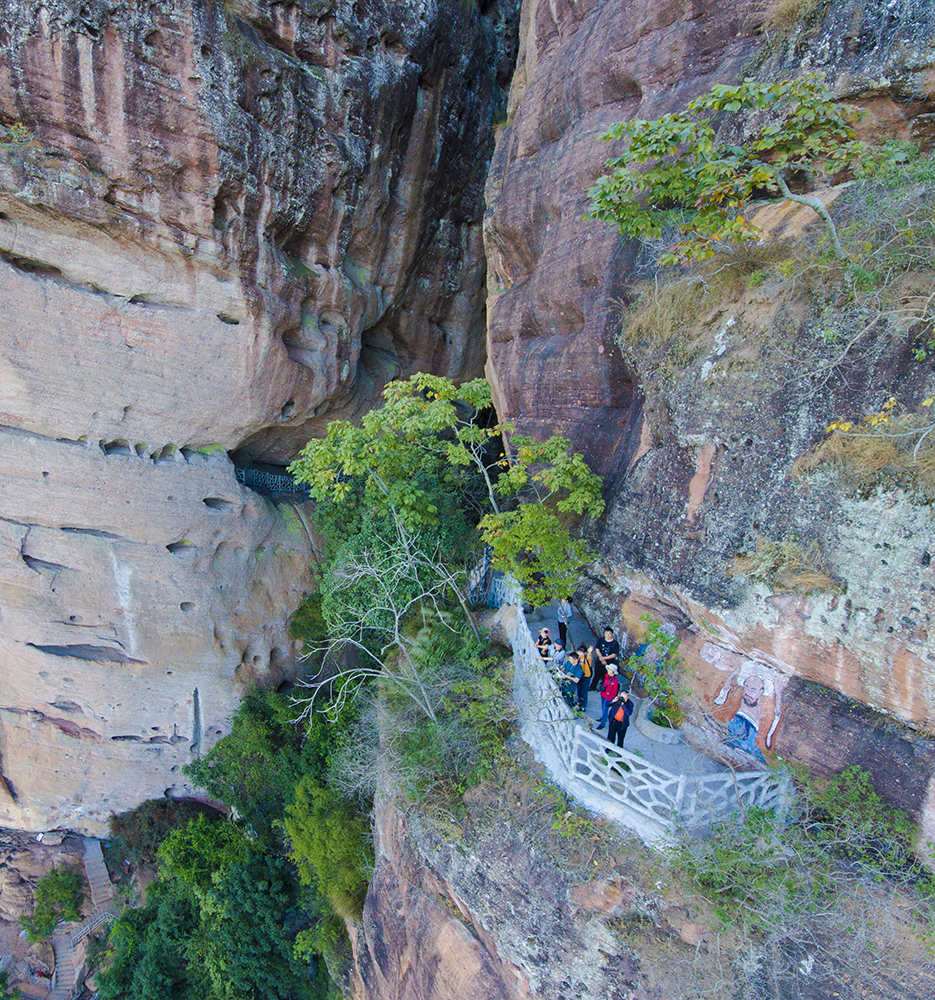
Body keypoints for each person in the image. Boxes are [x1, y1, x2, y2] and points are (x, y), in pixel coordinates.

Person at [592, 626, 620, 691]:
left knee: (606, 675)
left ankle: (604, 687)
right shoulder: (601, 640)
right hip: (600, 661)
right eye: (606, 633)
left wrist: (603, 658)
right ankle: (593, 686)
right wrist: (601, 658)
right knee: (597, 674)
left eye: (609, 633)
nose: (607, 635)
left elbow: (614, 654)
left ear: (612, 634)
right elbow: (597, 649)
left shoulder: (615, 643)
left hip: (609, 662)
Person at [606, 684, 634, 748]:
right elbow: (607, 704)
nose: (624, 699)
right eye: (622, 697)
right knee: (611, 736)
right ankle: (609, 748)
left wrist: (623, 704)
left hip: (622, 724)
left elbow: (629, 713)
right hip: (614, 721)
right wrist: (613, 701)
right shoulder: (616, 699)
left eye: (625, 698)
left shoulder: (630, 704)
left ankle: (619, 752)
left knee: (620, 738)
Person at [597, 664, 620, 730]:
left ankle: (603, 723)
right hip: (603, 694)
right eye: (609, 669)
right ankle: (604, 718)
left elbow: (614, 692)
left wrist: (611, 700)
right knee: (603, 708)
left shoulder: (615, 681)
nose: (609, 671)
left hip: (608, 697)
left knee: (605, 709)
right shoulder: (607, 676)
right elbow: (604, 684)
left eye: (610, 670)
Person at [577, 643, 592, 711]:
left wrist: (590, 652)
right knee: (579, 689)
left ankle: (583, 705)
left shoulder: (587, 658)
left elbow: (589, 656)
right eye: (579, 652)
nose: (579, 653)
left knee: (584, 691)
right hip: (579, 675)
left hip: (586, 676)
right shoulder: (578, 658)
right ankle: (579, 702)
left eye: (581, 652)